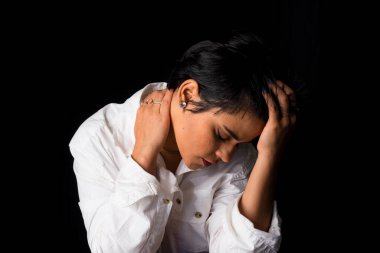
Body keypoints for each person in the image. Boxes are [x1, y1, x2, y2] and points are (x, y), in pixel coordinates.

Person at [69, 32, 297, 253]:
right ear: (187, 95)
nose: (228, 155)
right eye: (222, 134)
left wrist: (269, 154)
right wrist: (144, 154)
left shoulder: (241, 156)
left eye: (238, 143)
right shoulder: (99, 137)